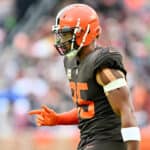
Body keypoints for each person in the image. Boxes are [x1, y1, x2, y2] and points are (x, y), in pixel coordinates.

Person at [28, 3, 141, 150]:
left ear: (86, 32)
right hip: (89, 141)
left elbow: (128, 112)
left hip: (109, 141)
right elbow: (88, 108)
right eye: (60, 34)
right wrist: (58, 119)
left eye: (67, 34)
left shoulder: (103, 65)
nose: (61, 40)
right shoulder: (71, 61)